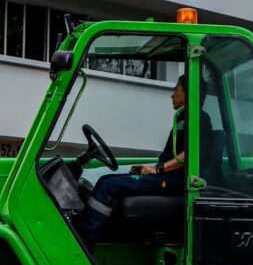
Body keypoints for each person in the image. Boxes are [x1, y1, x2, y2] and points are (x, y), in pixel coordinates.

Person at [76, 75, 187, 245]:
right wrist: (149, 168)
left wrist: (158, 170)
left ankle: (85, 238)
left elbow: (190, 155)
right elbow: (174, 157)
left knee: (108, 187)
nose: (172, 95)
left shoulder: (199, 120)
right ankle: (100, 234)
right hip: (166, 176)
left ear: (188, 93)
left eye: (176, 90)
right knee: (105, 180)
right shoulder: (182, 119)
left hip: (174, 182)